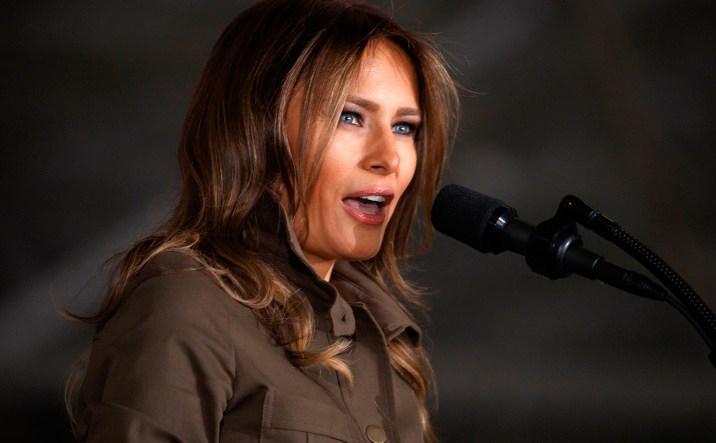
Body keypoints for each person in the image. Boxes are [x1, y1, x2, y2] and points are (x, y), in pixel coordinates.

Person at [66, 0, 459, 441]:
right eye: (349, 117)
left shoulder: (384, 338)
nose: (388, 157)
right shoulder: (187, 305)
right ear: (255, 129)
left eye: (405, 127)